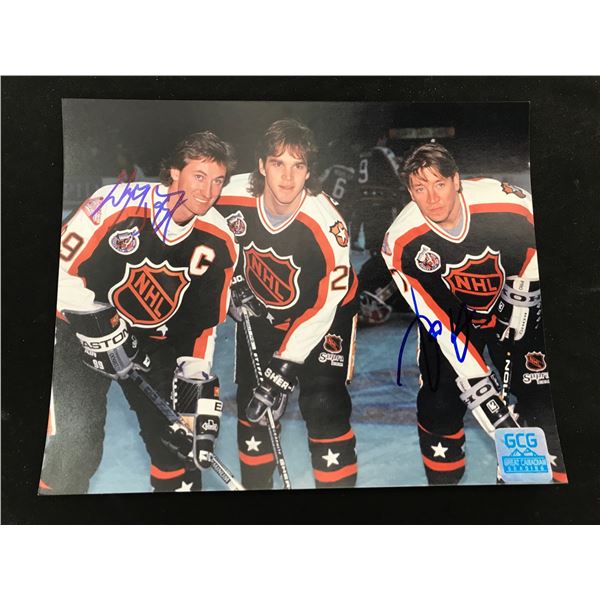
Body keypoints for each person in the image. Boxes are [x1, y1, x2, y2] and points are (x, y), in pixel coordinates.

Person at [40, 131, 239, 494]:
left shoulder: (219, 239)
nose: (208, 190)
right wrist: (102, 324)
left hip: (153, 346)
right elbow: (55, 271)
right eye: (199, 176)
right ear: (174, 172)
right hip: (81, 333)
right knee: (76, 446)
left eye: (218, 180)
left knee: (177, 449)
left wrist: (192, 402)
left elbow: (203, 329)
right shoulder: (114, 203)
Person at [382, 142, 567, 485]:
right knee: (438, 403)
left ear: (456, 181)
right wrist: (484, 395)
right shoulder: (401, 243)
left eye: (439, 184)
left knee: (546, 402)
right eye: (420, 188)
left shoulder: (507, 205)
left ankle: (561, 496)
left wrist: (526, 289)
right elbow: (435, 320)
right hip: (451, 322)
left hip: (514, 307)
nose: (432, 198)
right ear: (409, 192)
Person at [217, 119, 359, 490]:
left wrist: (282, 368)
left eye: (298, 165)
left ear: (309, 172)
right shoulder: (227, 194)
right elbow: (194, 230)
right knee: (254, 409)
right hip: (261, 311)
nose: (287, 177)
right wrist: (225, 287)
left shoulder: (327, 223)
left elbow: (326, 303)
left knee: (324, 403)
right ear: (261, 165)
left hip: (325, 316)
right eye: (277, 163)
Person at [354, 128, 405, 253]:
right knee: (384, 236)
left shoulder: (362, 155)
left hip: (364, 199)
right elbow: (397, 172)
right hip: (382, 199)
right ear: (381, 139)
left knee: (371, 238)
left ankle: (373, 255)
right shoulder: (383, 151)